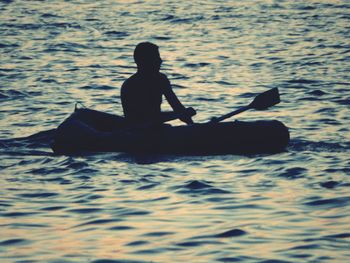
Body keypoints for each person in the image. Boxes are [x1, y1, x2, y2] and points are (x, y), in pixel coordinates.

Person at [121, 42, 195, 127]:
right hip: (138, 132)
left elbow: (177, 107)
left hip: (157, 129)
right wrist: (178, 114)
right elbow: (141, 119)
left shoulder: (161, 79)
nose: (160, 61)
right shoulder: (131, 85)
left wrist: (191, 124)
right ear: (143, 61)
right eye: (155, 57)